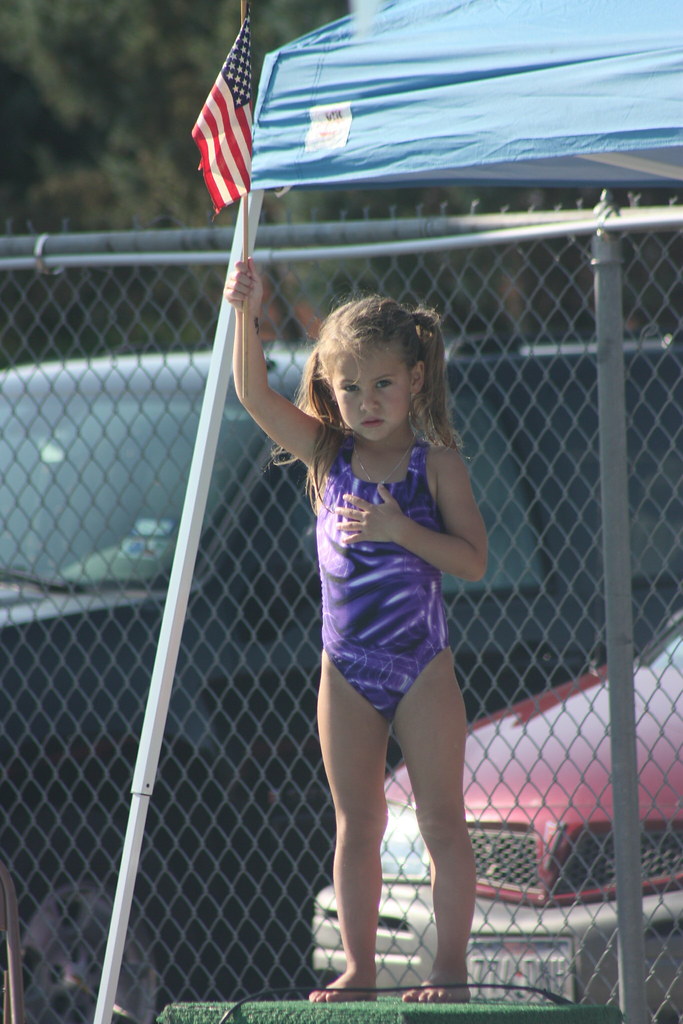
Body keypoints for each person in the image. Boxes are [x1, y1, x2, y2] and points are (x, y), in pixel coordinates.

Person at [224, 259, 487, 1004]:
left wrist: (400, 529)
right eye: (349, 386)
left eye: (381, 384)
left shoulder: (434, 466)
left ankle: (450, 969)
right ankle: (361, 969)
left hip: (420, 666)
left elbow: (471, 560)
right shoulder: (326, 455)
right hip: (344, 669)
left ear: (413, 380)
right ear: (331, 390)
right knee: (356, 821)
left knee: (440, 816)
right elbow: (250, 392)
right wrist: (241, 312)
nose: (366, 402)